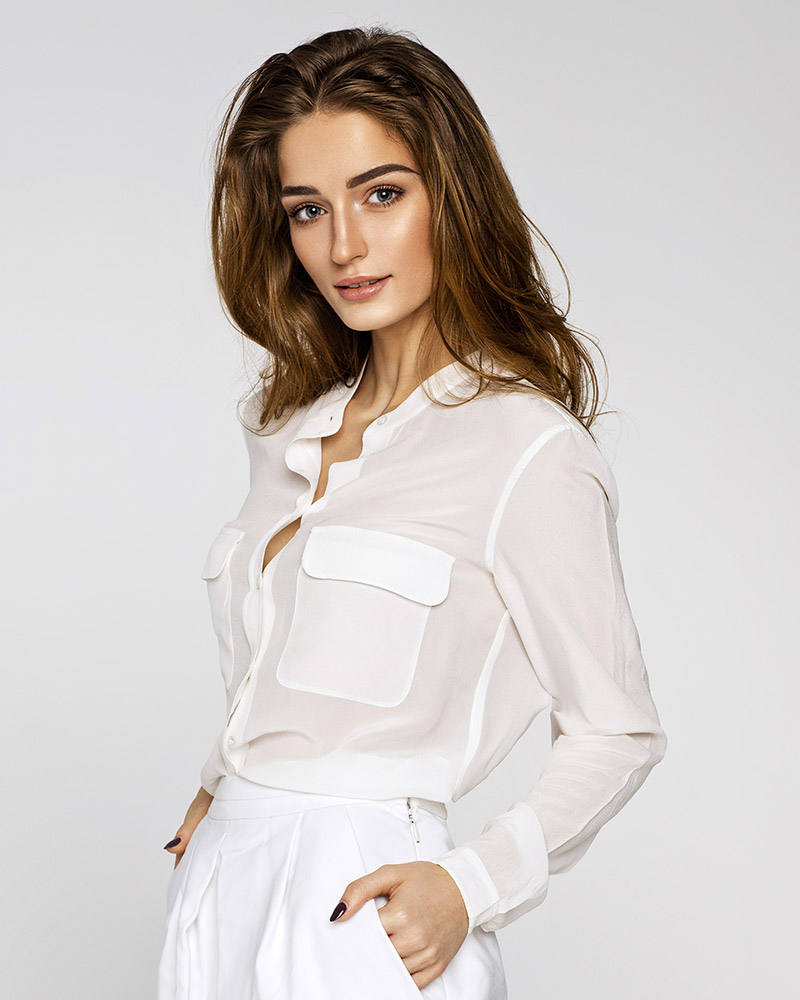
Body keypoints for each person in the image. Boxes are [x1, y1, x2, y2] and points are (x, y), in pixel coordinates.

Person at [157, 25, 667, 1000]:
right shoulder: (283, 428)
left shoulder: (524, 447)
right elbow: (290, 673)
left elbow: (618, 729)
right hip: (220, 888)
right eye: (308, 210)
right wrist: (225, 784)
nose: (343, 245)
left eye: (381, 194)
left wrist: (470, 884)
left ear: (452, 196)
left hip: (361, 900)